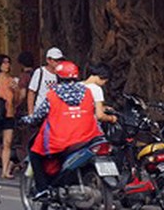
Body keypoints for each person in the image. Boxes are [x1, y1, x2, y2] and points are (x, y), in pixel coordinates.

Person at [21, 60, 103, 200]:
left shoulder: (53, 94)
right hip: (87, 137)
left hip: (61, 139)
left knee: (35, 153)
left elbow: (39, 115)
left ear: (58, 77)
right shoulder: (87, 92)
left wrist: (27, 119)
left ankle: (42, 189)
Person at [26, 47, 63, 115]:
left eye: (60, 60)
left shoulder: (62, 74)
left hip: (56, 112)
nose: (58, 63)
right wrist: (31, 114)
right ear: (48, 60)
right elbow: (31, 93)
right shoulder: (40, 72)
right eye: (56, 60)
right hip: (41, 111)